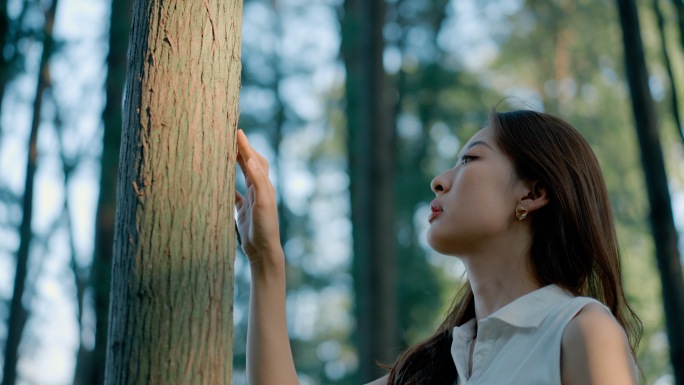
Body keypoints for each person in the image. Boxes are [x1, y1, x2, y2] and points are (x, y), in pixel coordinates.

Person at [234, 108, 642, 385]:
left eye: (469, 160)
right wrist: (265, 261)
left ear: (532, 193)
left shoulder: (581, 330)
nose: (440, 180)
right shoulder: (430, 367)